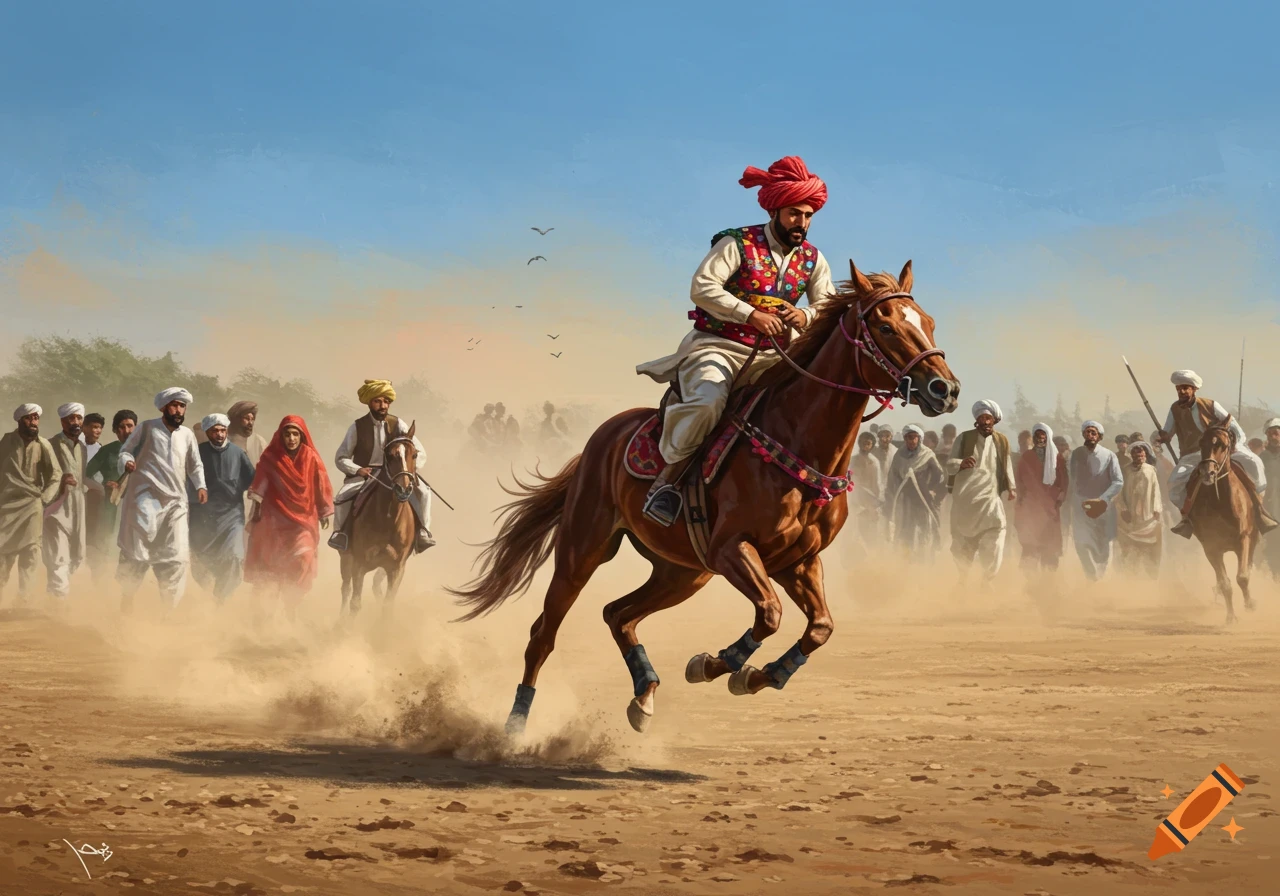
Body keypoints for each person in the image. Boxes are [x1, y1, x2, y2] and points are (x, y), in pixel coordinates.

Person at [637, 155, 835, 526]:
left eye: (808, 216)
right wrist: (752, 314)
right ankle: (667, 482)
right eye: (795, 214)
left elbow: (826, 305)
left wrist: (804, 315)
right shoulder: (737, 243)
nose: (802, 223)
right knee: (709, 403)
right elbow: (702, 287)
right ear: (775, 209)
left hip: (777, 355)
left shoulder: (813, 259)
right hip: (717, 347)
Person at [116, 388, 207, 611]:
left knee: (176, 555)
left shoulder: (187, 435)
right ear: (163, 407)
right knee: (139, 548)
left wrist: (201, 485)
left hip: (176, 501)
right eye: (174, 405)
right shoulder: (147, 427)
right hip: (146, 497)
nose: (178, 410)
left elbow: (195, 464)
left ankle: (170, 610)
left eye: (182, 406)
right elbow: (125, 451)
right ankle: (127, 597)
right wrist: (127, 461)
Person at [1157, 370, 1273, 538]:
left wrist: (1235, 445)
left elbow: (1234, 427)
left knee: (1254, 462)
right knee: (1174, 483)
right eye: (1179, 388)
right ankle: (1187, 518)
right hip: (1193, 454)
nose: (1181, 392)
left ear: (1194, 389)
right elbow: (1167, 431)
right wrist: (1162, 437)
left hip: (1219, 449)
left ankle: (1259, 509)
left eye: (1185, 388)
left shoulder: (1210, 404)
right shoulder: (1174, 409)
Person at [329, 379, 433, 553]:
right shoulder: (357, 427)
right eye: (377, 401)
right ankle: (340, 534)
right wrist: (357, 469)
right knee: (341, 496)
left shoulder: (399, 424)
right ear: (370, 403)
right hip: (365, 475)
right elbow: (341, 457)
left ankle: (424, 532)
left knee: (424, 492)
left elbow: (420, 451)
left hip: (396, 474)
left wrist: (409, 469)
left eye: (386, 401)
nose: (382, 405)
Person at [245, 416, 334, 614]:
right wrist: (257, 511)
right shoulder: (271, 458)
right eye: (287, 434)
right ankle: (271, 603)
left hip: (304, 520)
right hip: (275, 520)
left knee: (304, 558)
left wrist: (324, 511)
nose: (291, 438)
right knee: (273, 561)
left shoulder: (311, 457)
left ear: (301, 436)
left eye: (295, 434)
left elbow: (322, 484)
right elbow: (261, 484)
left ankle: (293, 600)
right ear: (281, 436)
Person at [189, 414, 256, 602]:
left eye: (222, 430)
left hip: (232, 514)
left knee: (234, 555)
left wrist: (248, 489)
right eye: (215, 431)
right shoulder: (197, 453)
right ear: (208, 432)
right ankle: (206, 596)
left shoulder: (238, 453)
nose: (219, 434)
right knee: (201, 558)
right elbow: (187, 479)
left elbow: (252, 479)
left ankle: (222, 599)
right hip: (203, 515)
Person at [947, 400, 1017, 578]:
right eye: (982, 418)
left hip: (990, 500)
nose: (986, 421)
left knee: (996, 534)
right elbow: (949, 464)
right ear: (976, 421)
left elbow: (1007, 464)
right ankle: (962, 580)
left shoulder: (1001, 440)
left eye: (989, 418)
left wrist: (1011, 487)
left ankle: (988, 580)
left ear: (994, 420)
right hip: (965, 501)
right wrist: (961, 463)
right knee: (961, 544)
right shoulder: (963, 438)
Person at [0, 404, 61, 603]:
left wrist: (44, 499)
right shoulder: (6, 441)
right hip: (7, 505)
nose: (33, 422)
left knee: (31, 551)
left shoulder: (43, 444)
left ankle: (24, 600)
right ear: (19, 420)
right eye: (29, 418)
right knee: (3, 553)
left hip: (33, 505)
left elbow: (55, 475)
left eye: (36, 418)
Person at [1068, 421, 1125, 580]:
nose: (1090, 436)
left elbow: (1118, 481)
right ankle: (1090, 576)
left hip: (1103, 507)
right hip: (1081, 504)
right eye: (1087, 432)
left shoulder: (1109, 455)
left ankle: (1102, 580)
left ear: (1099, 436)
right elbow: (1073, 479)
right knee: (1080, 542)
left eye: (1093, 433)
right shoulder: (1076, 454)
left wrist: (1103, 499)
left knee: (1103, 545)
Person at [84, 410, 137, 580]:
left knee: (133, 546)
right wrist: (102, 486)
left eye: (130, 426)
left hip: (136, 505)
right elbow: (85, 474)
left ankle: (128, 585)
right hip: (109, 506)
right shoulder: (108, 451)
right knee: (105, 543)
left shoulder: (145, 450)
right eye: (121, 427)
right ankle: (100, 587)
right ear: (115, 430)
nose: (126, 430)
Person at [43, 402, 88, 600]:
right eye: (71, 418)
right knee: (58, 557)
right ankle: (58, 605)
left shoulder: (83, 448)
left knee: (77, 556)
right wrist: (61, 481)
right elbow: (41, 476)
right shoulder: (50, 444)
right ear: (62, 421)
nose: (76, 422)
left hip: (78, 506)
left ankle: (54, 596)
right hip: (56, 507)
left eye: (79, 418)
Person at [883, 424, 945, 557]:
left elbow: (938, 474)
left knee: (925, 527)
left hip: (923, 496)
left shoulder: (927, 454)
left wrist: (932, 490)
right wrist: (891, 496)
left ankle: (925, 556)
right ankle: (906, 558)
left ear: (919, 438)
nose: (911, 441)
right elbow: (893, 476)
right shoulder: (899, 454)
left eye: (913, 437)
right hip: (905, 497)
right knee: (906, 527)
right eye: (908, 438)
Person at [1014, 423, 1068, 571]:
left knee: (1050, 547)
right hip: (1031, 507)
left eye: (1043, 437)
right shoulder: (1026, 457)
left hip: (1051, 507)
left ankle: (1047, 583)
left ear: (1048, 438)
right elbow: (1020, 480)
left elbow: (1063, 482)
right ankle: (1030, 583)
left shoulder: (1057, 458)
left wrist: (1058, 497)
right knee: (1030, 545)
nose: (1040, 440)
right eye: (1037, 437)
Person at [1115, 441, 1162, 578]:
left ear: (1145, 454)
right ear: (1131, 455)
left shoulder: (1151, 470)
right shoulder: (1125, 470)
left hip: (1148, 516)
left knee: (1151, 551)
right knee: (1129, 552)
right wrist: (1123, 509)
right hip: (1130, 517)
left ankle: (1151, 579)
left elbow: (1156, 490)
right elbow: (1119, 492)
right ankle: (1130, 579)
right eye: (1135, 452)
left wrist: (1157, 508)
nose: (1139, 455)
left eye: (1141, 452)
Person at [849, 431, 883, 549]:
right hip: (853, 498)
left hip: (868, 500)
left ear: (872, 445)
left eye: (868, 443)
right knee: (851, 530)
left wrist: (876, 503)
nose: (865, 446)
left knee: (868, 531)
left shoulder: (874, 462)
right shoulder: (852, 460)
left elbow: (877, 484)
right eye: (863, 443)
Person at [1261, 419, 1280, 578]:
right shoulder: (1262, 458)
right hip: (1270, 509)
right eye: (1273, 433)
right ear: (1267, 435)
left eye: (1279, 432)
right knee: (1273, 544)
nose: (1277, 436)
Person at [873, 428, 898, 498]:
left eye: (887, 436)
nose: (884, 439)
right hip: (875, 486)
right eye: (881, 436)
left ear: (891, 437)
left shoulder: (896, 452)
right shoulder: (873, 451)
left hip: (891, 487)